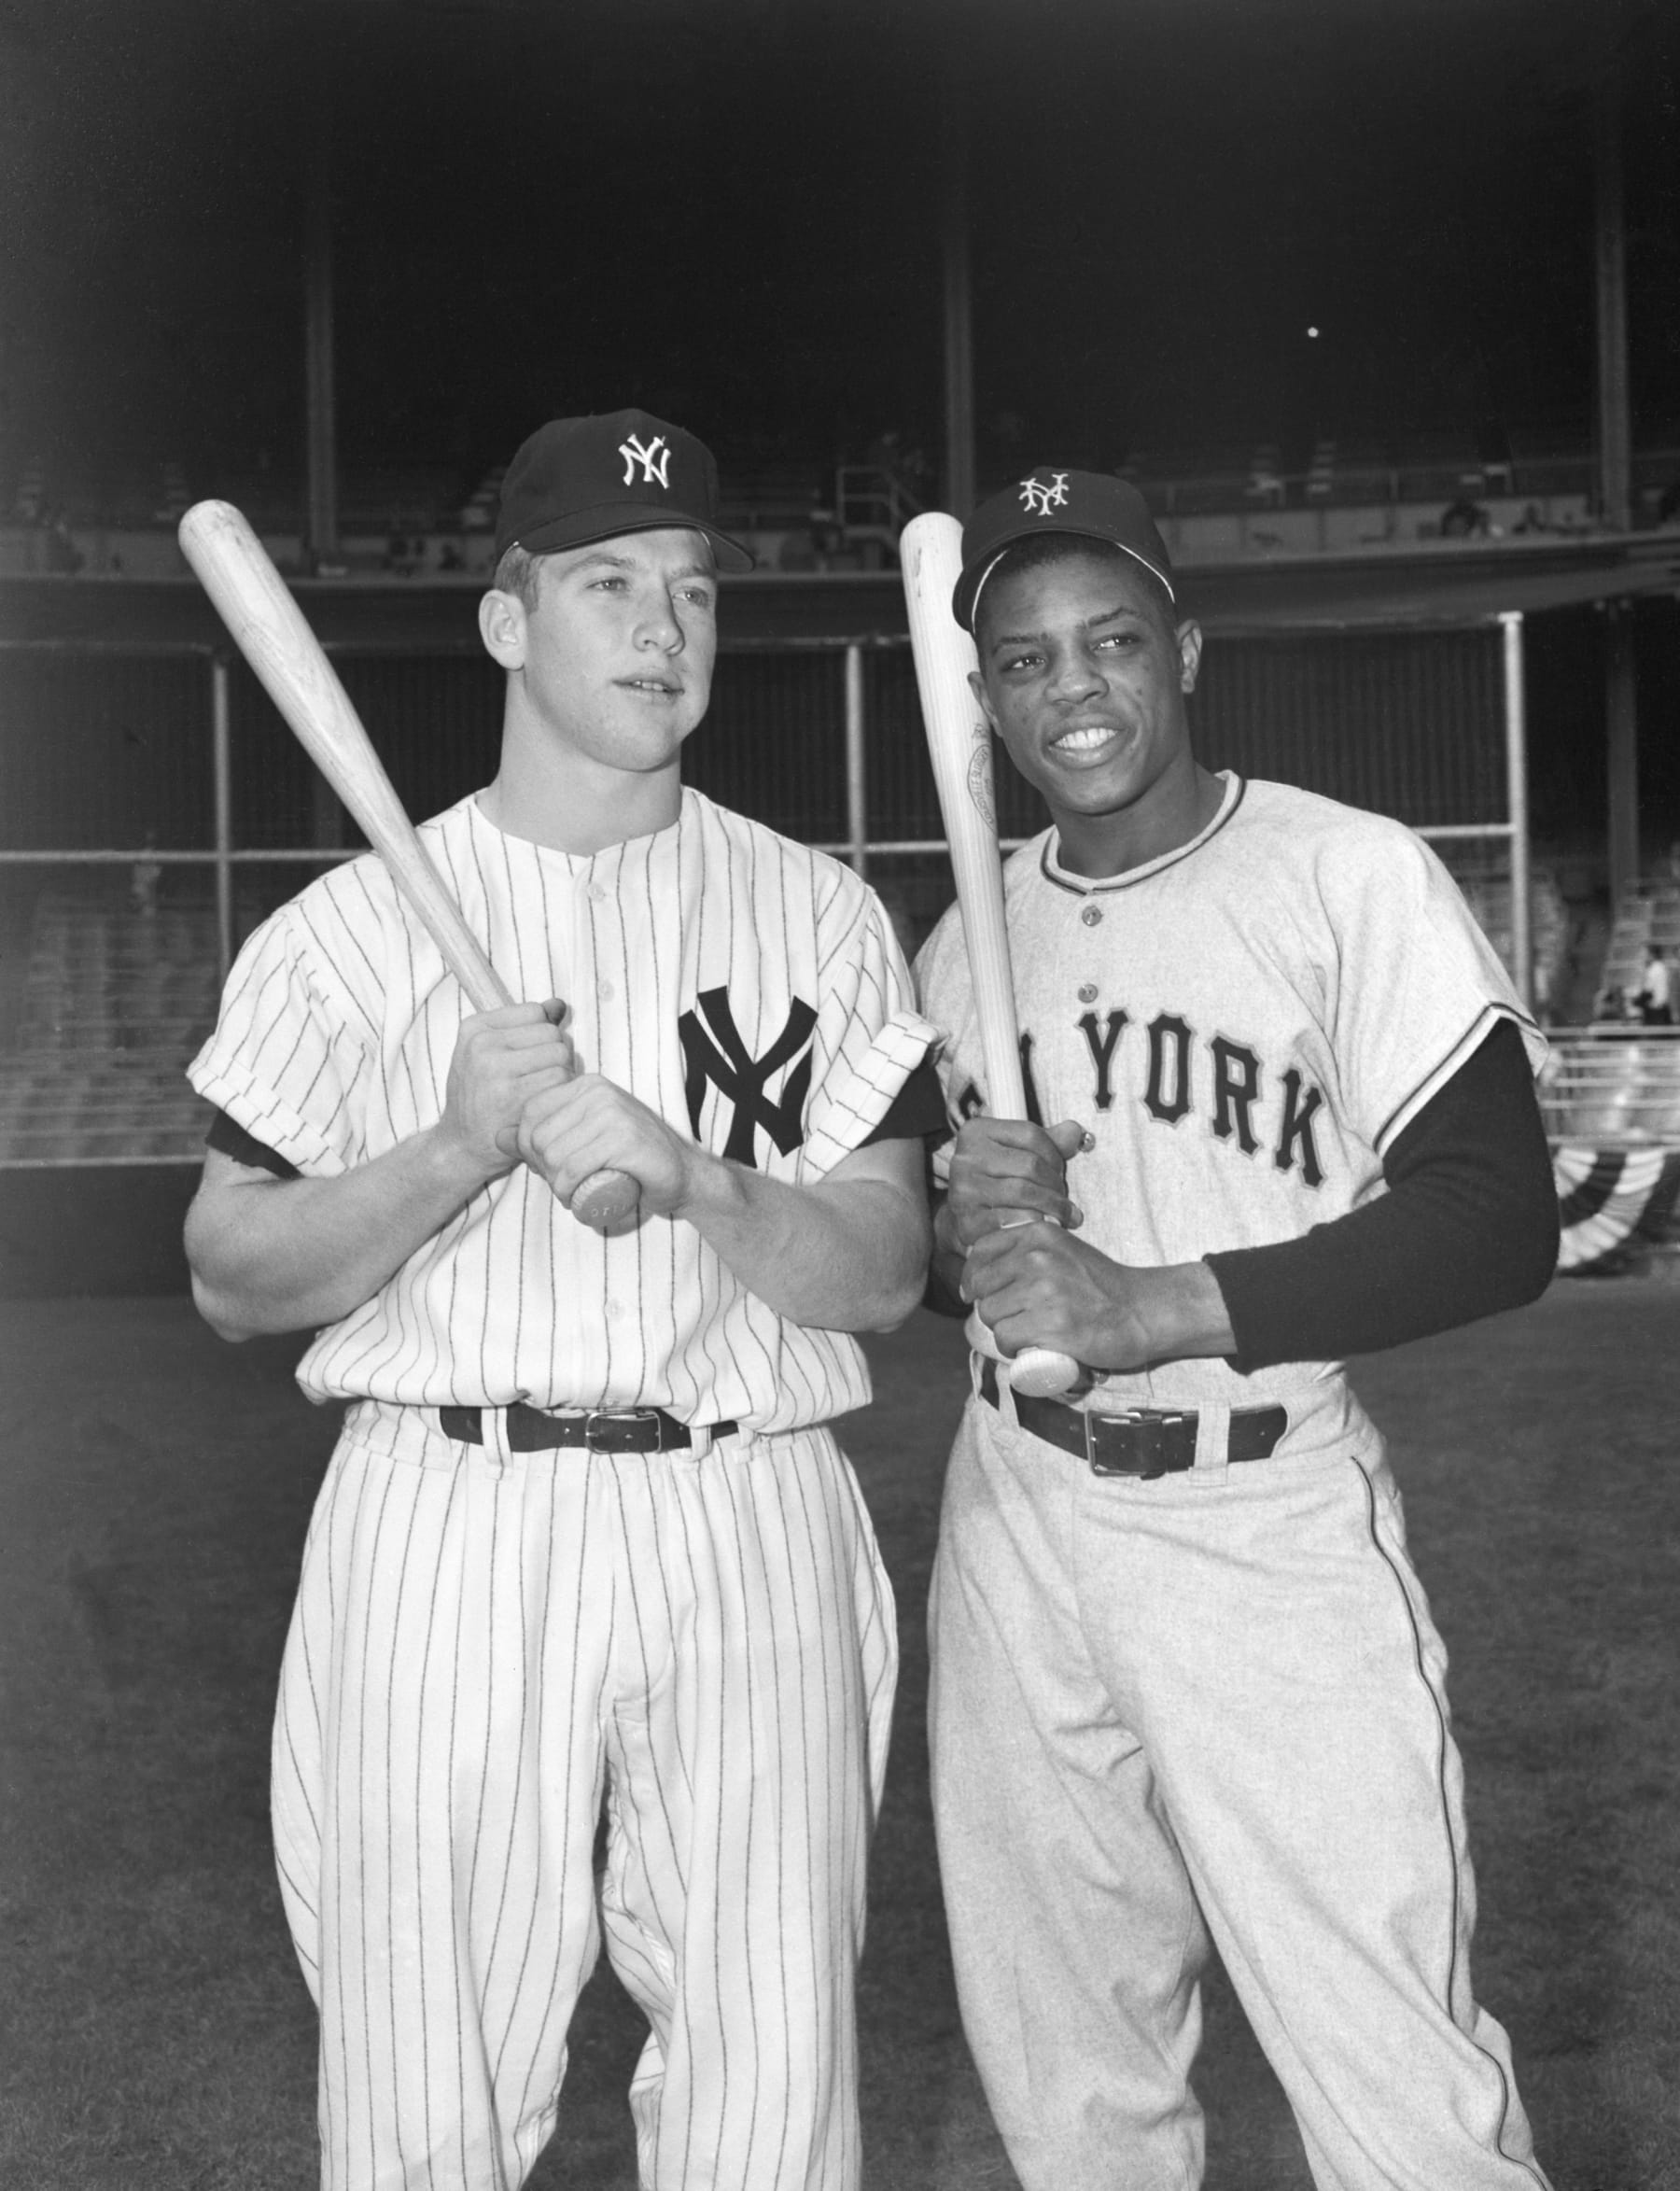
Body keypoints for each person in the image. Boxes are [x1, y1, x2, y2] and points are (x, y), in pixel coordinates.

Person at [183, 408, 944, 2191]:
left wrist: (697, 1178)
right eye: (608, 582)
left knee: (773, 2072)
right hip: (449, 1509)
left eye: (692, 588)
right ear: (508, 622)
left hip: (748, 1500)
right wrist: (457, 1145)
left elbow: (887, 1267)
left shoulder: (820, 912)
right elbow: (229, 1273)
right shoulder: (348, 929)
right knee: (420, 2083)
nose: (663, 625)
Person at [913, 468, 1558, 2191]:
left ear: (1184, 650)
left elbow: (1498, 1213)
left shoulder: (1345, 873)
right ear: (986, 702)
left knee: (1393, 2072)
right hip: (1012, 1516)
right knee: (1069, 2072)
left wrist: (1155, 1304)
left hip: (1259, 1518)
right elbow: (949, 1271)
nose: (1075, 689)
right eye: (1026, 661)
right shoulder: (964, 936)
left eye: (1112, 640)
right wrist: (961, 1229)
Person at [1635, 940, 1673, 1026]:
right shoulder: (1658, 967)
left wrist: (1635, 1002)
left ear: (1651, 954)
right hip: (1657, 1010)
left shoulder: (1656, 968)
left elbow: (1647, 991)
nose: (1641, 956)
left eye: (1643, 953)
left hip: (1657, 1013)